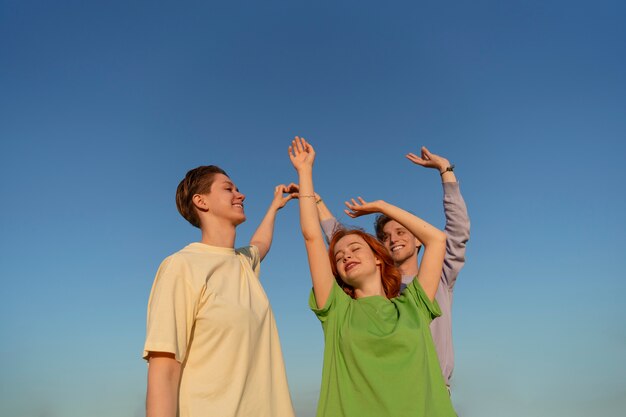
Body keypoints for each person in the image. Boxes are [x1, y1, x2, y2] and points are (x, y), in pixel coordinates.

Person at [289, 136, 456, 417]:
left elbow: (437, 240)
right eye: (339, 257)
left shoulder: (413, 304)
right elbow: (312, 237)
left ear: (379, 258)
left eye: (355, 249)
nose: (346, 256)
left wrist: (382, 207)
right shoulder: (336, 311)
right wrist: (305, 173)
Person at [143, 165, 297, 417]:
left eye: (237, 189)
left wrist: (274, 208)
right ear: (201, 201)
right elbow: (165, 369)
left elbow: (261, 244)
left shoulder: (243, 262)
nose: (241, 195)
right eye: (228, 189)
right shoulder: (182, 266)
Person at [315, 146, 470, 392]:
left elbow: (457, 231)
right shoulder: (377, 287)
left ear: (419, 238)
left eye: (401, 232)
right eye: (385, 236)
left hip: (432, 388)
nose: (393, 239)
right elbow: (344, 245)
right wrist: (317, 202)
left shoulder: (440, 277)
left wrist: (445, 170)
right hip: (387, 387)